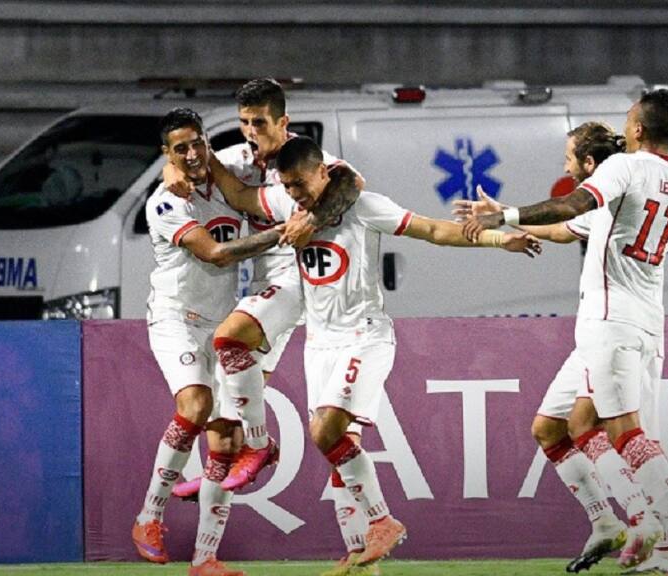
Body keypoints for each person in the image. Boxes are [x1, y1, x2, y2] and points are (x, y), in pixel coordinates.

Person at [209, 135, 541, 572]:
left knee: (325, 431)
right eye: (288, 186)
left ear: (324, 171)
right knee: (339, 447)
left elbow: (433, 230)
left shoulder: (364, 206)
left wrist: (500, 240)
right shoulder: (289, 207)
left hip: (364, 336)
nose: (296, 194)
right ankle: (363, 555)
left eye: (301, 184)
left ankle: (383, 522)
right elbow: (239, 194)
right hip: (319, 343)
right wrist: (201, 153)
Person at [165, 78, 378, 575]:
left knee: (228, 341)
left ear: (283, 122)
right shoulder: (238, 159)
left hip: (298, 289)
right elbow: (196, 161)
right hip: (266, 295)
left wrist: (317, 214)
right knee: (224, 424)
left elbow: (350, 184)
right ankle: (206, 559)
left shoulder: (309, 161)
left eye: (260, 121)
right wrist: (171, 164)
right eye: (244, 122)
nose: (251, 131)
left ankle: (261, 446)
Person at [461, 90, 668, 572]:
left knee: (625, 433)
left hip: (611, 321)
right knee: (555, 425)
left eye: (628, 119)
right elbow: (570, 227)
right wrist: (517, 230)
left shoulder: (623, 168)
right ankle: (624, 522)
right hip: (636, 322)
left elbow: (572, 204)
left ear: (639, 129)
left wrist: (505, 216)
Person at [132, 107, 286, 576]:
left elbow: (271, 149)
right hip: (176, 319)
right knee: (196, 405)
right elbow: (216, 254)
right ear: (167, 154)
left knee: (225, 439)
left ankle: (204, 559)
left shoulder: (230, 167)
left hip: (221, 321)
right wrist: (282, 235)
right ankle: (149, 517)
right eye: (180, 149)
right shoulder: (164, 201)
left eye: (198, 142)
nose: (194, 154)